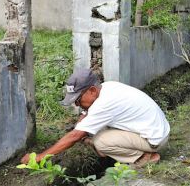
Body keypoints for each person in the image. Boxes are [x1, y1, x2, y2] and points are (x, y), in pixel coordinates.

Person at [21, 69, 170, 166]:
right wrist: (82, 121)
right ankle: (112, 152)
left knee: (100, 141)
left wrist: (40, 157)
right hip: (155, 130)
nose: (78, 105)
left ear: (92, 91)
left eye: (78, 100)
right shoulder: (107, 87)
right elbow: (86, 115)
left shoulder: (104, 104)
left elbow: (74, 136)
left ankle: (144, 157)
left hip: (154, 139)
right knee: (96, 131)